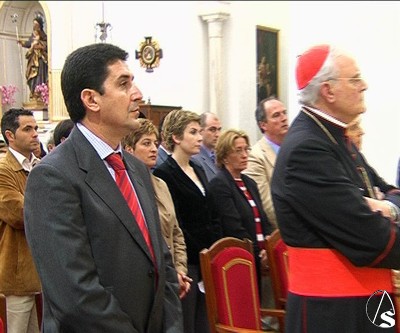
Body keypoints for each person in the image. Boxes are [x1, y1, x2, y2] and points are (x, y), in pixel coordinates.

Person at [23, 43, 183, 332]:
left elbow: (162, 263)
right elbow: (75, 293)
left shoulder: (136, 169)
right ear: (91, 100)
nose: (137, 94)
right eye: (124, 83)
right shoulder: (53, 176)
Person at [271, 44, 400, 332]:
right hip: (333, 310)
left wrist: (387, 207)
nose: (364, 85)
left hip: (368, 298)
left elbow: (388, 190)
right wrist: (373, 207)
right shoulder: (307, 149)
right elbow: (368, 236)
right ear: (328, 91)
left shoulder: (334, 136)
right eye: (355, 79)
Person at [153, 109, 222, 333]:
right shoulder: (165, 174)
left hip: (207, 257)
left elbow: (211, 212)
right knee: (188, 323)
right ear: (176, 137)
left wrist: (215, 247)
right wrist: (200, 250)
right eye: (193, 132)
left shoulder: (199, 169)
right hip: (189, 260)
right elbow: (178, 224)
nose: (200, 138)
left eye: (200, 131)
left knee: (207, 322)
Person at [121, 118, 191, 299]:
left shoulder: (161, 185)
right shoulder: (125, 188)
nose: (154, 149)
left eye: (155, 143)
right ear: (129, 149)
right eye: (146, 143)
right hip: (147, 284)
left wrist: (180, 271)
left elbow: (176, 233)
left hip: (173, 278)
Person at [207, 129, 273, 287]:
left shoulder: (249, 182)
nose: (245, 155)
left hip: (260, 255)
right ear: (224, 156)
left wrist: (269, 248)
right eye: (238, 151)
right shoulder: (220, 184)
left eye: (246, 149)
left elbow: (263, 219)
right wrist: (259, 253)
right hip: (239, 258)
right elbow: (233, 226)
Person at [0, 108, 41, 333]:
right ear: (10, 135)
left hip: (38, 274)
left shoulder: (40, 165)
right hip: (16, 277)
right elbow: (19, 214)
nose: (35, 134)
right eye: (27, 129)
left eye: (35, 128)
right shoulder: (4, 171)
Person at [243, 96, 289, 229]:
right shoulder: (256, 156)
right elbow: (267, 206)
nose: (284, 118)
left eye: (284, 113)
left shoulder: (295, 149)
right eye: (276, 115)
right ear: (263, 125)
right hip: (282, 231)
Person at [346, 118, 400, 207]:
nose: (361, 132)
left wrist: (386, 205)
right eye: (354, 128)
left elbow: (390, 190)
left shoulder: (358, 157)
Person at [17, 15, 48, 101]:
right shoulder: (33, 35)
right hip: (32, 59)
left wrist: (39, 45)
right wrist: (22, 42)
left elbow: (46, 45)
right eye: (33, 24)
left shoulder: (43, 35)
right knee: (31, 76)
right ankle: (33, 93)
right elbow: (29, 43)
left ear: (39, 25)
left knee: (40, 76)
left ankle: (40, 94)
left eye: (36, 24)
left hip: (40, 59)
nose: (34, 26)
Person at [191, 112, 222, 182]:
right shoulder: (194, 158)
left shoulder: (220, 155)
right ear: (200, 131)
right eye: (212, 130)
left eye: (219, 129)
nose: (218, 134)